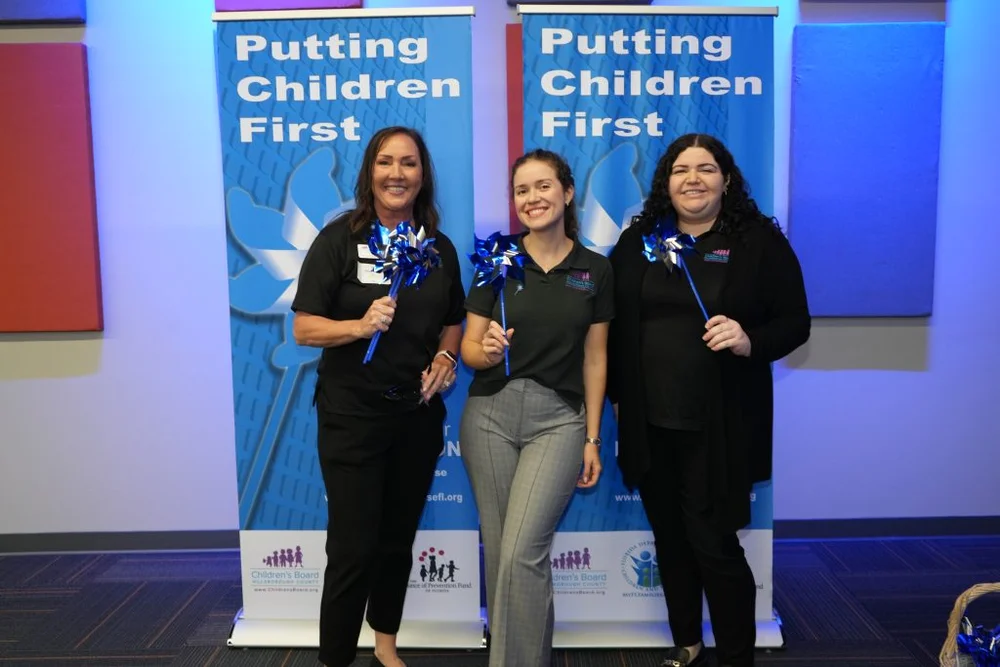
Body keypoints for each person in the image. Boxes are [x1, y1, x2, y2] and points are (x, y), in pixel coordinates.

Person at [607, 133, 810, 667]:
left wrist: (749, 339)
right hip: (650, 422)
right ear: (665, 182)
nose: (692, 179)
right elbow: (612, 325)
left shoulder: (756, 241)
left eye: (706, 169)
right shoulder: (640, 240)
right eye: (681, 170)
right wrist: (617, 399)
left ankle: (736, 656)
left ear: (727, 179)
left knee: (713, 543)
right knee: (670, 539)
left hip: (720, 424)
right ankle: (688, 642)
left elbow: (796, 322)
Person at [291, 126, 465, 667]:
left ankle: (386, 647)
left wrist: (447, 357)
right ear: (370, 172)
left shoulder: (438, 249)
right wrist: (358, 326)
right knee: (352, 547)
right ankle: (336, 658)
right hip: (351, 418)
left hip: (415, 417)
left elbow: (454, 319)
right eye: (386, 162)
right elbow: (304, 328)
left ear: (422, 175)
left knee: (396, 541)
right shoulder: (339, 240)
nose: (397, 173)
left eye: (408, 163)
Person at [459, 149, 614, 666]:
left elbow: (596, 358)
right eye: (521, 190)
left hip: (559, 422)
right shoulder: (496, 259)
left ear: (567, 193)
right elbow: (469, 348)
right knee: (505, 554)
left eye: (543, 186)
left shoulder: (595, 269)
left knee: (523, 550)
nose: (532, 198)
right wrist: (486, 352)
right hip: (490, 417)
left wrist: (592, 438)